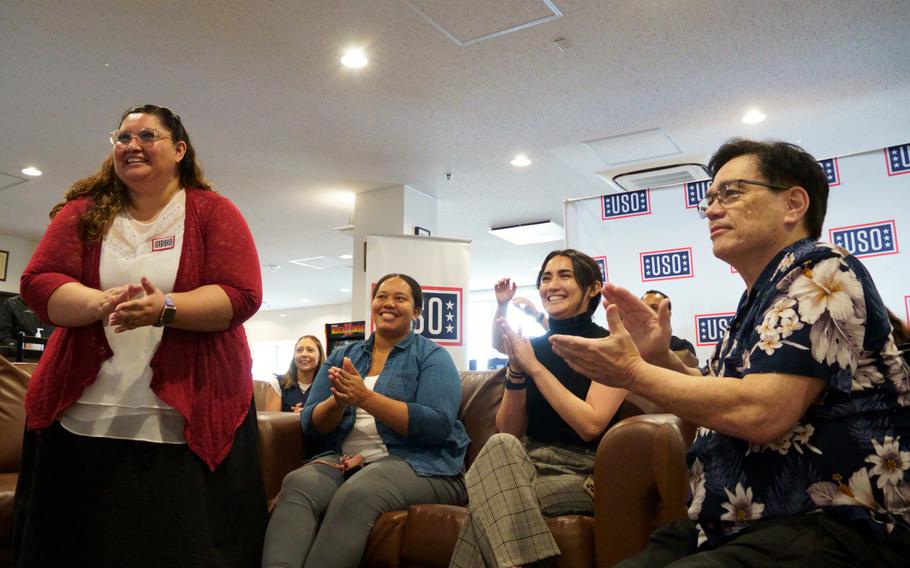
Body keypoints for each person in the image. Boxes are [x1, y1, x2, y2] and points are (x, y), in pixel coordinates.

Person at [550, 139, 910, 567]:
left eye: (731, 193)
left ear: (794, 203)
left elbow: (761, 412)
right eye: (709, 199)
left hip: (829, 523)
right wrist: (659, 357)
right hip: (727, 526)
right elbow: (719, 397)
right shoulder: (759, 300)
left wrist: (632, 372)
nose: (712, 209)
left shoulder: (823, 270)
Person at [13, 104, 266, 567]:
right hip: (84, 414)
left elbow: (241, 294)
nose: (131, 145)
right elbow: (39, 281)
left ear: (180, 150)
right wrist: (94, 302)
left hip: (182, 416)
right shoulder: (82, 213)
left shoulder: (213, 212)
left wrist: (164, 309)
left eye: (147, 136)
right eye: (123, 137)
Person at [262, 273, 469, 568]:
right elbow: (310, 424)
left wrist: (365, 398)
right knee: (298, 483)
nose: (388, 303)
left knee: (358, 492)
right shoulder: (343, 356)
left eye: (400, 298)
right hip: (346, 460)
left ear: (417, 312)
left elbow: (437, 424)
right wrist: (338, 401)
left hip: (421, 463)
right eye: (382, 296)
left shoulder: (433, 357)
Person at [450, 249, 630, 568]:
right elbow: (509, 431)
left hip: (582, 470)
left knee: (489, 505)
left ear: (593, 288)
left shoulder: (611, 347)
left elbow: (590, 424)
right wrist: (517, 372)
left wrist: (534, 369)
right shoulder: (531, 348)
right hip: (526, 462)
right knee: (501, 444)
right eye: (546, 277)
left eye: (564, 275)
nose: (552, 285)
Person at [640, 289, 698, 367]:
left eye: (654, 307)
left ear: (668, 315)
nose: (648, 311)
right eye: (643, 307)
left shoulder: (682, 346)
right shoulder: (628, 344)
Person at [492, 277, 548, 353]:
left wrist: (537, 314)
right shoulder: (536, 345)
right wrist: (502, 305)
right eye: (547, 279)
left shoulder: (559, 344)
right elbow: (499, 344)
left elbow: (559, 333)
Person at [279, 335, 326, 412]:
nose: (304, 354)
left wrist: (309, 416)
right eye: (299, 350)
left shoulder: (330, 385)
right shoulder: (277, 384)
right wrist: (292, 418)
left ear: (320, 356)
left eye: (310, 350)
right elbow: (269, 421)